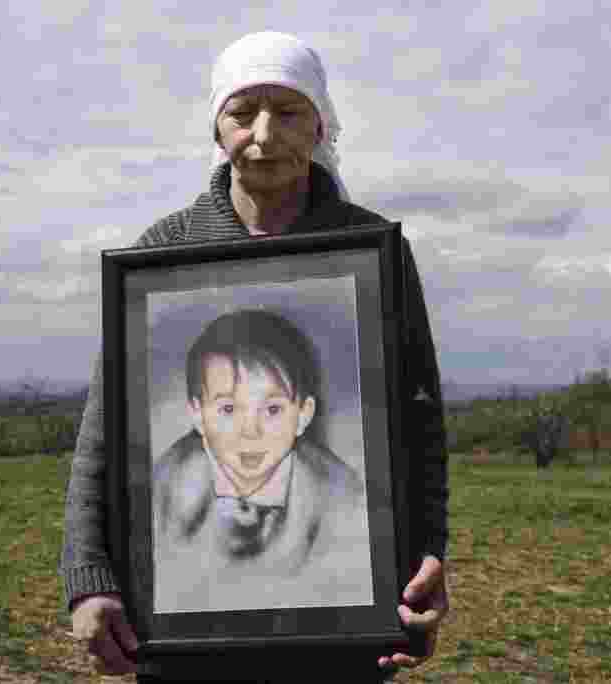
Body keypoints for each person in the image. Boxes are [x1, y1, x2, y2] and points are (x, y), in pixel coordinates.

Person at [62, 31, 450, 682]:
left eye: (289, 111)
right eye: (243, 112)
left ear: (321, 125)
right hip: (183, 644)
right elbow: (104, 431)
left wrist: (425, 557)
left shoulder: (370, 249)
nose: (264, 132)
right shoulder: (163, 249)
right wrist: (89, 579)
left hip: (339, 642)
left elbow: (419, 424)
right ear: (217, 129)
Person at [153, 309, 366, 591]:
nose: (250, 432)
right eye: (228, 409)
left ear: (303, 414)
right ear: (197, 415)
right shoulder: (162, 488)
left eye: (272, 409)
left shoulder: (344, 498)